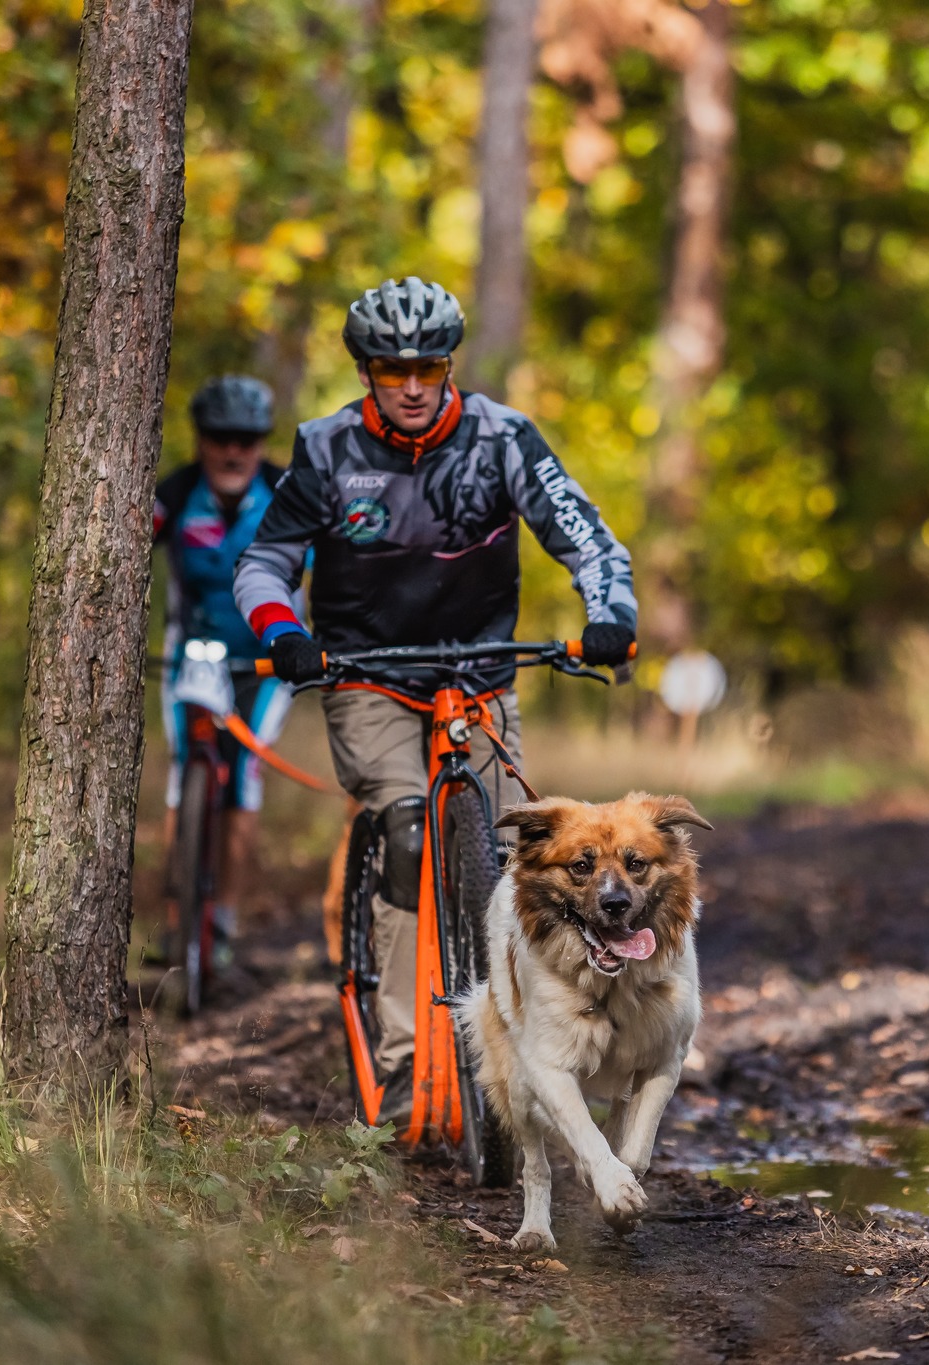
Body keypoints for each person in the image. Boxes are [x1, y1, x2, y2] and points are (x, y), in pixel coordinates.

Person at [234, 277, 637, 1115]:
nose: (412, 386)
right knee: (408, 829)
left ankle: (522, 1048)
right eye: (391, 370)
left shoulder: (503, 439)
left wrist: (612, 614)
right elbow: (264, 563)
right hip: (367, 673)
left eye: (428, 367)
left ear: (449, 365)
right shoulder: (326, 448)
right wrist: (282, 631)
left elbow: (589, 538)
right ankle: (403, 1054)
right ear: (367, 371)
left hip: (480, 673)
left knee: (511, 860)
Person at [154, 375, 293, 960]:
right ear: (201, 439)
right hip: (191, 652)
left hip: (267, 662)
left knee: (242, 780)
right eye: (220, 438)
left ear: (261, 441)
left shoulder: (288, 491)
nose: (234, 451)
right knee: (185, 768)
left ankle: (228, 920)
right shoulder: (176, 493)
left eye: (247, 438)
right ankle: (174, 919)